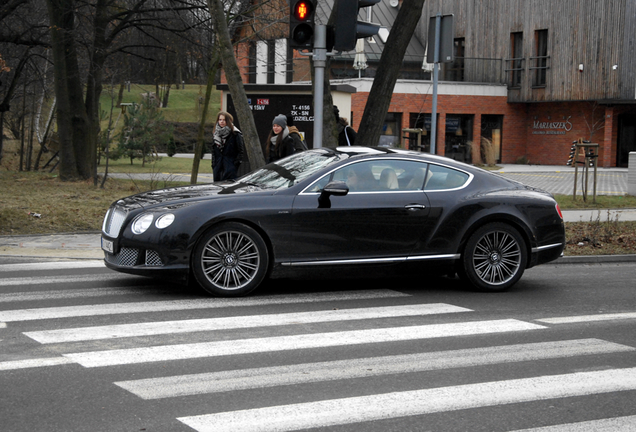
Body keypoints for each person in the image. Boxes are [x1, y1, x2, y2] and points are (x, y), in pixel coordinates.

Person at [211, 111, 244, 181]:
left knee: (229, 189)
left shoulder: (235, 133)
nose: (222, 122)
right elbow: (214, 151)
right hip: (218, 167)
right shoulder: (215, 134)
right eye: (220, 120)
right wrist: (214, 164)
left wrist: (235, 165)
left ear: (228, 121)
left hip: (230, 166)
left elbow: (240, 151)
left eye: (224, 120)